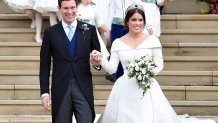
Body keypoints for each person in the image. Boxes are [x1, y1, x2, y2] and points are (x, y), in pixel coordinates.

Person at [90, 3, 216, 123]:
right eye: (134, 20)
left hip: (146, 84)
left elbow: (159, 63)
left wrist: (146, 73)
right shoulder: (117, 42)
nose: (137, 23)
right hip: (125, 88)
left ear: (144, 22)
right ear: (127, 22)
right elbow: (112, 69)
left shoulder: (152, 41)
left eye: (140, 20)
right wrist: (100, 60)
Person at [39, 0, 101, 123]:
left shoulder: (90, 29)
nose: (70, 11)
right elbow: (44, 65)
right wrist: (44, 93)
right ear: (59, 8)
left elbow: (97, 58)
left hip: (83, 87)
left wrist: (96, 63)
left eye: (72, 7)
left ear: (77, 7)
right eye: (66, 8)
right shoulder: (50, 33)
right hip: (60, 87)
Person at [105, 0, 154, 82]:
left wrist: (148, 25)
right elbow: (111, 12)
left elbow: (141, 10)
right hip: (116, 25)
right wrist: (108, 30)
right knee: (117, 50)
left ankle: (125, 74)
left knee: (125, 50)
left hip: (129, 25)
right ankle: (117, 75)